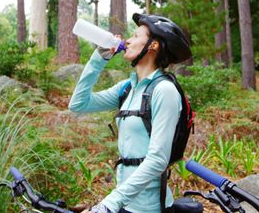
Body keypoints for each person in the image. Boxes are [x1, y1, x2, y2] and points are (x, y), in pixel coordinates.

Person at [69, 13, 192, 213]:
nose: (128, 40)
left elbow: (158, 159)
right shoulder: (127, 88)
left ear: (153, 46)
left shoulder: (164, 90)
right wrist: (99, 58)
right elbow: (78, 104)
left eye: (135, 36)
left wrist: (111, 202)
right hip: (124, 202)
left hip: (149, 207)